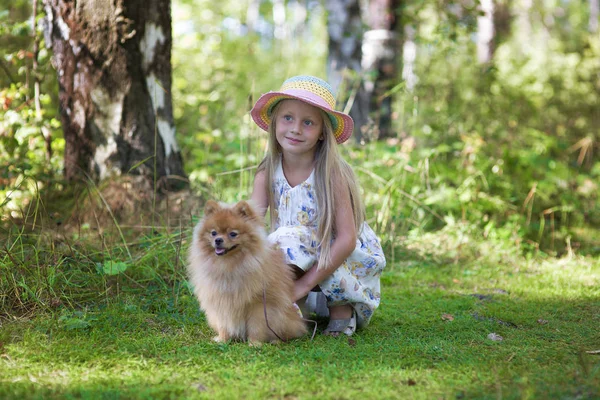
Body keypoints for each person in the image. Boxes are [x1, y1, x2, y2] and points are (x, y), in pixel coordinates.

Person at [250, 75, 386, 337]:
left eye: (308, 122)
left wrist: (305, 285)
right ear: (275, 123)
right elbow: (251, 226)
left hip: (338, 254)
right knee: (278, 243)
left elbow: (346, 239)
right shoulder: (267, 172)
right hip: (295, 253)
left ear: (323, 132)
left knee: (321, 247)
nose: (296, 129)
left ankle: (341, 311)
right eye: (287, 118)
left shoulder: (330, 174)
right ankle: (287, 307)